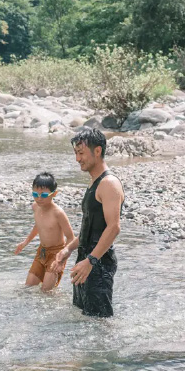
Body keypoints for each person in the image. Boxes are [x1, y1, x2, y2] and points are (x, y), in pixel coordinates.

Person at [52, 129, 125, 317]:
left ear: (98, 151)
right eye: (76, 153)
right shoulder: (94, 183)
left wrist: (91, 261)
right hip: (85, 261)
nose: (77, 159)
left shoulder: (109, 184)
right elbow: (90, 228)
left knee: (100, 324)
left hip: (98, 263)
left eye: (81, 153)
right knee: (83, 318)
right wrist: (67, 250)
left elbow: (114, 227)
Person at [14, 172, 75, 292]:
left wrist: (61, 260)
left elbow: (71, 238)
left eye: (44, 195)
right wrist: (25, 242)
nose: (39, 198)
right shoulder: (35, 207)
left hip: (56, 254)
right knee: (27, 288)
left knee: (47, 292)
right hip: (41, 252)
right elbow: (39, 225)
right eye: (35, 194)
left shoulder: (58, 213)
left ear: (54, 194)